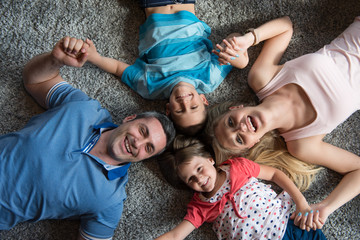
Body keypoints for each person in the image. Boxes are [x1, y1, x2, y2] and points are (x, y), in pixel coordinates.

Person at [0, 36, 176, 240]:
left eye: (148, 148)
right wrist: (55, 60)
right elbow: (35, 80)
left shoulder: (110, 200)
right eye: (142, 131)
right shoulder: (84, 107)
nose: (138, 143)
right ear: (130, 118)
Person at [206, 15, 360, 229]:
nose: (241, 128)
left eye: (231, 123)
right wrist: (325, 207)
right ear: (253, 143)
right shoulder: (301, 144)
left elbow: (285, 26)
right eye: (240, 139)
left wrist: (249, 39)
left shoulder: (261, 79)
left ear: (236, 108)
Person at [79, 1, 236, 135]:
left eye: (179, 111)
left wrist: (95, 58)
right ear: (203, 100)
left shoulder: (151, 87)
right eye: (193, 106)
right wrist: (232, 47)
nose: (184, 103)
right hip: (186, 5)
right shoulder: (209, 78)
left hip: (155, 5)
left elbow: (119, 69)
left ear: (168, 109)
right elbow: (233, 45)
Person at [156, 135, 326, 240]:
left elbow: (274, 174)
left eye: (199, 169)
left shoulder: (237, 166)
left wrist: (301, 203)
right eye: (191, 179)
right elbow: (176, 235)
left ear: (210, 159)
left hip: (289, 225)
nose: (199, 179)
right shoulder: (200, 206)